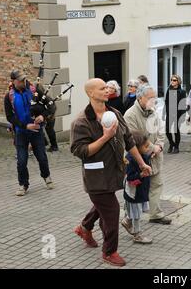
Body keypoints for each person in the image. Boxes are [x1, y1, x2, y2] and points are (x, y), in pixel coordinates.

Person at [71, 78, 152, 267]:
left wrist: (141, 164)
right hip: (95, 177)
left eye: (107, 87)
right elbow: (80, 151)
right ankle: (109, 252)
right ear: (91, 93)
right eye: (102, 88)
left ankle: (84, 227)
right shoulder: (81, 121)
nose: (107, 90)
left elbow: (129, 140)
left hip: (114, 173)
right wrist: (105, 137)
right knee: (112, 210)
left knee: (103, 204)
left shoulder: (115, 113)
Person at [124, 85, 172, 224]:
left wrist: (160, 146)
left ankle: (156, 214)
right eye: (150, 97)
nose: (153, 100)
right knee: (136, 189)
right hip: (138, 159)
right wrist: (152, 148)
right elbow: (132, 139)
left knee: (157, 184)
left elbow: (161, 130)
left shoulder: (153, 111)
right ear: (140, 98)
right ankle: (128, 217)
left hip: (155, 156)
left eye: (154, 97)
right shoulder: (130, 115)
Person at [4, 71, 54, 196]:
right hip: (21, 132)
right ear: (13, 81)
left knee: (42, 157)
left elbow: (51, 106)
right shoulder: (9, 96)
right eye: (20, 80)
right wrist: (25, 125)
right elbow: (10, 117)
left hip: (37, 131)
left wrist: (43, 116)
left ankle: (46, 176)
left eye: (24, 79)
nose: (23, 82)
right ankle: (23, 185)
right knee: (21, 161)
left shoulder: (34, 91)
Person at [122, 131, 153, 244]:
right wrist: (140, 175)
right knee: (136, 215)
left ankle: (127, 221)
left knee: (136, 212)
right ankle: (137, 234)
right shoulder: (130, 159)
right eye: (146, 146)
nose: (148, 147)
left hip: (140, 190)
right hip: (134, 193)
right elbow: (130, 178)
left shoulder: (143, 155)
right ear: (137, 147)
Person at [164, 75, 186, 153]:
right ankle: (171, 143)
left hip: (178, 114)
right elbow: (166, 101)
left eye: (174, 80)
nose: (172, 82)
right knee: (167, 131)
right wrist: (165, 112)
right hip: (170, 113)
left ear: (178, 82)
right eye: (172, 80)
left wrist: (182, 116)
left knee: (176, 131)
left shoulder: (182, 92)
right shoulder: (169, 90)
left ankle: (176, 147)